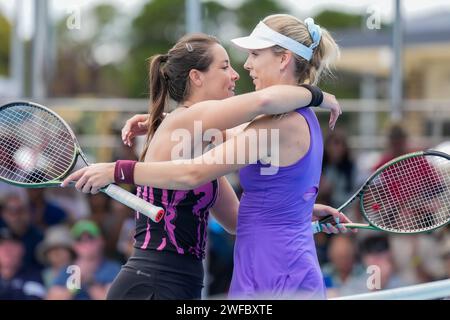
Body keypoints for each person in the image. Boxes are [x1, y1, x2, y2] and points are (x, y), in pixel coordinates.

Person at [63, 16, 350, 300]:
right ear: (196, 77)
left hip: (270, 270)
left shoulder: (278, 123)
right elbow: (208, 165)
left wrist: (295, 212)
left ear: (284, 58)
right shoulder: (275, 121)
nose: (243, 67)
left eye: (253, 54)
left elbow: (202, 173)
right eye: (226, 66)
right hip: (163, 281)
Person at [46, 220, 121, 300]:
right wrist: (77, 279)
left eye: (90, 237)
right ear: (74, 245)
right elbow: (52, 297)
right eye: (79, 239)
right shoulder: (67, 270)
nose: (85, 241)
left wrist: (89, 281)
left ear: (101, 241)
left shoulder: (113, 269)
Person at [0, 227, 46, 300]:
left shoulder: (33, 275)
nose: (7, 249)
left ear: (22, 249)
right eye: (2, 244)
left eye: (12, 244)